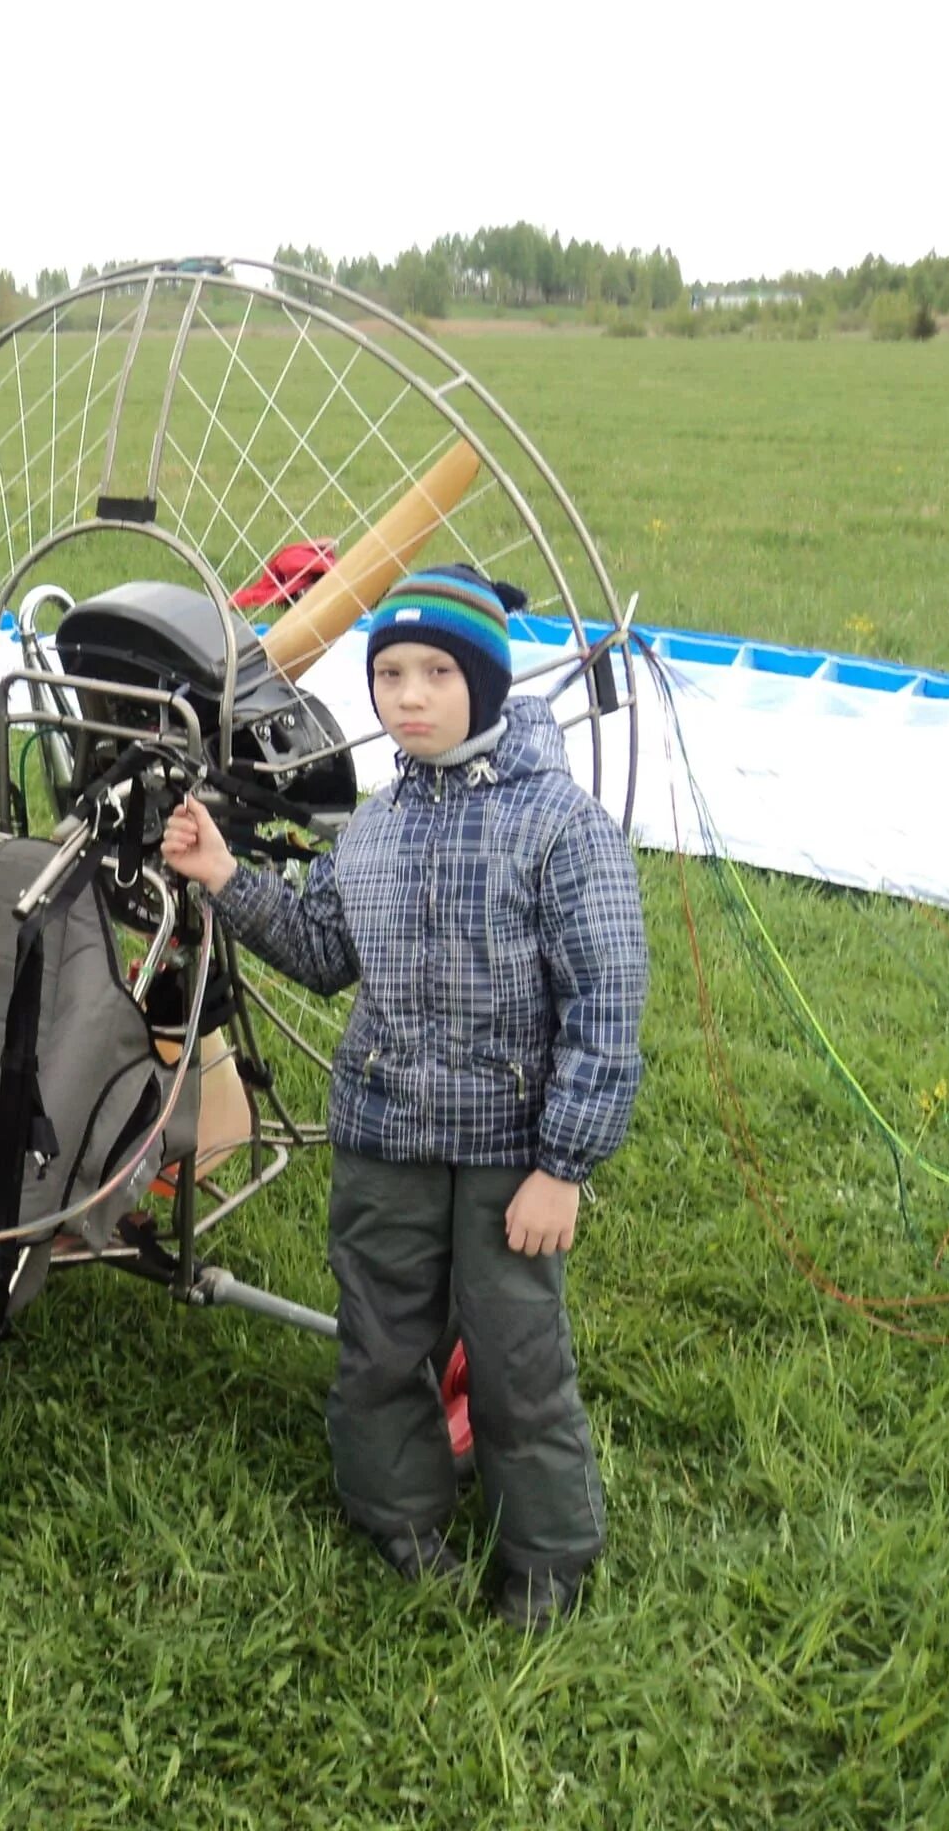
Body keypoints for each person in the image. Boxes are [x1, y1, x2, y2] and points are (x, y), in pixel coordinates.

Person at [160, 562, 646, 1629]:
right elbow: (326, 948)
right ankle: (400, 1519)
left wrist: (561, 1166)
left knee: (518, 1363)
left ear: (485, 680)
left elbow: (606, 1006)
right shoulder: (376, 828)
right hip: (384, 1141)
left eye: (435, 671)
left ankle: (548, 1561)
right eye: (388, 674)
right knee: (382, 1343)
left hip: (508, 1156)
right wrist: (225, 880)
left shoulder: (560, 828)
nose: (408, 696)